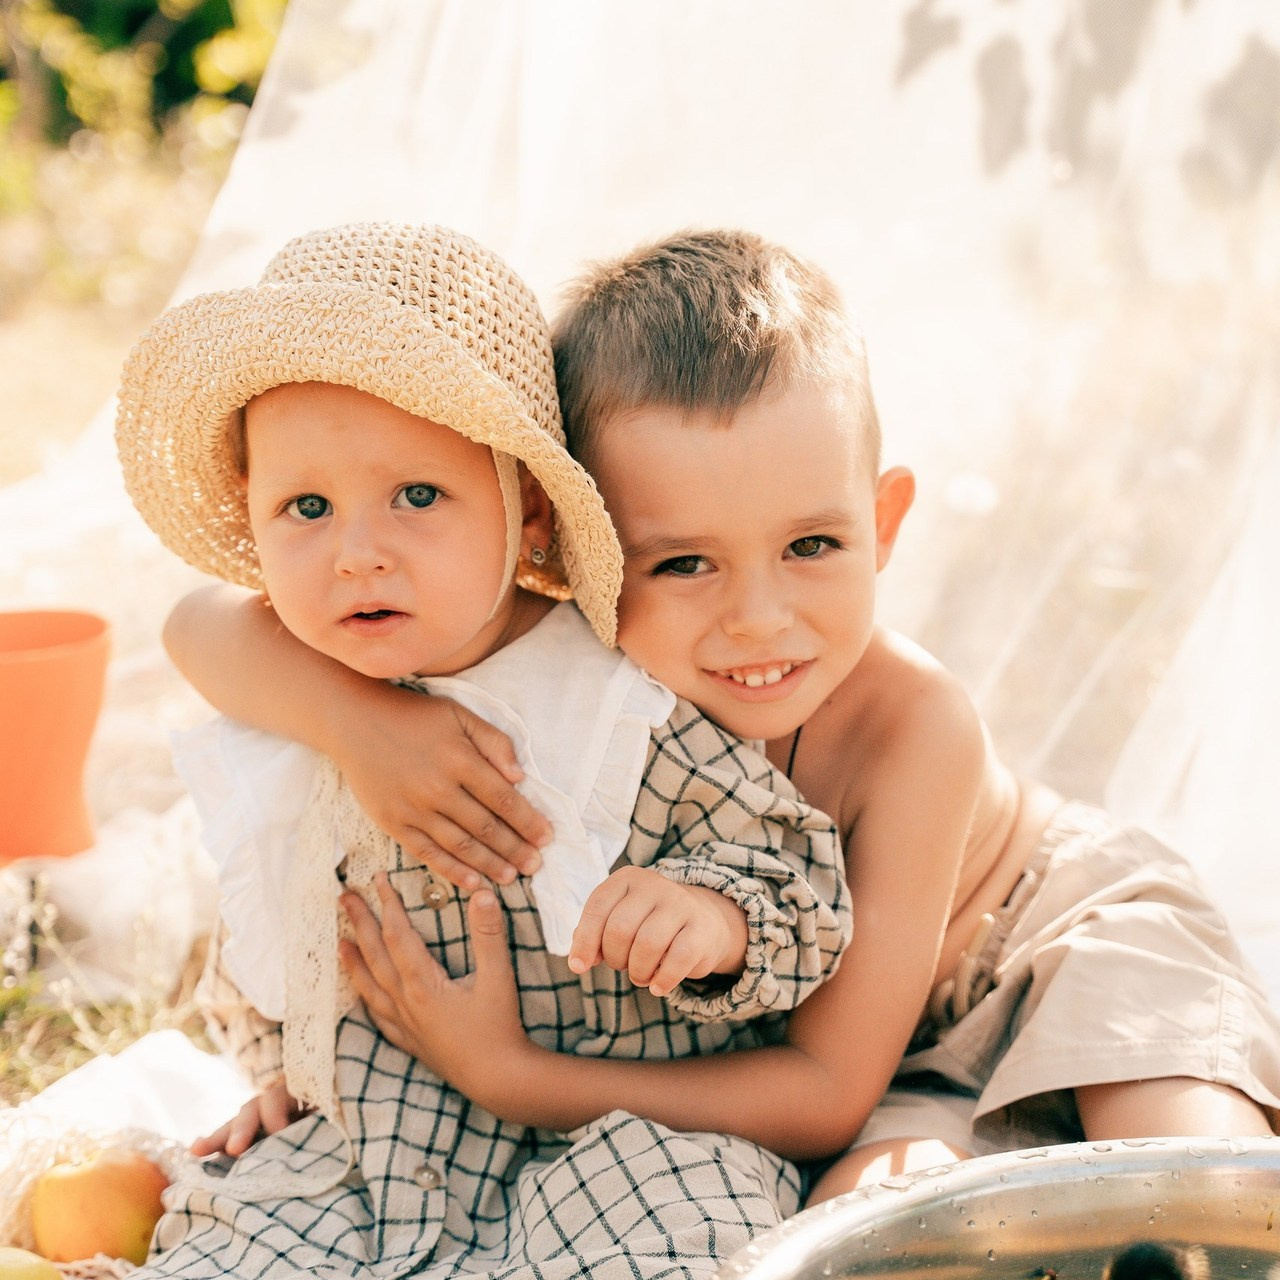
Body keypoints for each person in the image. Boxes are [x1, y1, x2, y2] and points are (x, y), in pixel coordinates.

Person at [164, 228, 1280, 1209]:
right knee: (864, 1233)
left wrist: (512, 1077)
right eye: (684, 561)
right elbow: (201, 626)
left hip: (1043, 934)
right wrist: (363, 726)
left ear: (882, 520)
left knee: (1190, 1166)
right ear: (558, 540)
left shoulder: (911, 723)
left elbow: (821, 1085)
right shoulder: (567, 638)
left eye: (812, 545)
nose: (758, 621)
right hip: (861, 1060)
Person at [113, 221, 851, 1278]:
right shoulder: (300, 702)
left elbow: (799, 876)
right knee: (241, 1243)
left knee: (685, 1237)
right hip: (381, 1142)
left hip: (617, 1128)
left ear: (532, 513)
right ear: (252, 518)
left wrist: (712, 915)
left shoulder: (610, 703)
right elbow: (271, 917)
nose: (358, 550)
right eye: (304, 507)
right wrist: (286, 1063)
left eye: (418, 496)